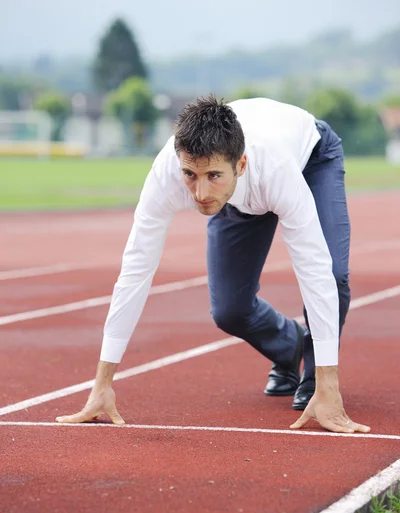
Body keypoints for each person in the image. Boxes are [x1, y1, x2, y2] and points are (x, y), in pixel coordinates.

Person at [57, 95, 370, 434]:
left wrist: (328, 380)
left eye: (213, 176)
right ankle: (289, 344)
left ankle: (316, 381)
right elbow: (136, 269)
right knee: (230, 310)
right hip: (238, 192)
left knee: (333, 274)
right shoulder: (169, 174)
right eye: (191, 174)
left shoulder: (277, 172)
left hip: (312, 160)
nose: (200, 193)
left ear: (241, 164)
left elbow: (313, 267)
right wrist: (102, 383)